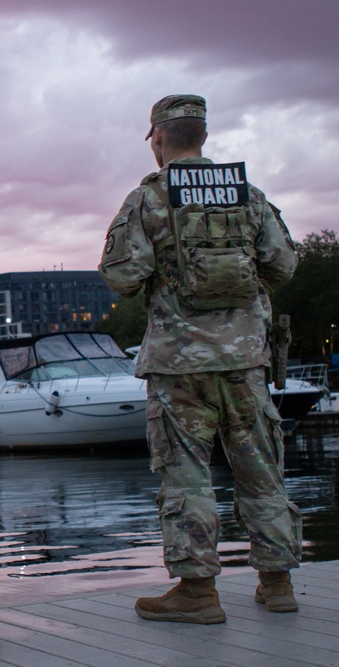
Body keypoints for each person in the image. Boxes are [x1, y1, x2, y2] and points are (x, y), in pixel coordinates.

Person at [99, 94, 302, 624]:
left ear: (158, 139)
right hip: (245, 360)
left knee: (186, 475)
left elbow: (121, 276)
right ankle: (277, 582)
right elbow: (283, 264)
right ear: (204, 136)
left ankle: (198, 592)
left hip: (178, 366)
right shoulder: (247, 194)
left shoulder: (148, 198)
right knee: (261, 468)